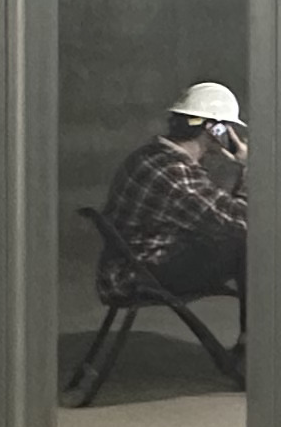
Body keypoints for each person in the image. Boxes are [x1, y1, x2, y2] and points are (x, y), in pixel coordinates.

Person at [105, 79, 249, 306]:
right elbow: (240, 221)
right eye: (226, 128)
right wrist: (248, 167)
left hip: (128, 267)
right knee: (251, 246)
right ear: (215, 129)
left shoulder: (150, 156)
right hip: (138, 277)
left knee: (232, 242)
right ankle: (250, 338)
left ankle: (248, 336)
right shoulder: (175, 172)